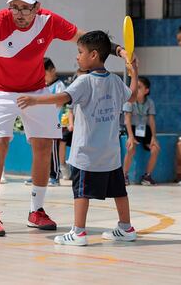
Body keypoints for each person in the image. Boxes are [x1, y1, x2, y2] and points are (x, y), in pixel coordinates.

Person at [0, 0, 133, 236]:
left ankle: (37, 210)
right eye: (15, 7)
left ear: (37, 7)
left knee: (44, 144)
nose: (19, 13)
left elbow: (85, 38)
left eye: (25, 7)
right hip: (0, 89)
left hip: (35, 88)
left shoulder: (50, 21)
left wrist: (118, 49)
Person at [17, 30, 139, 246]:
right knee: (119, 191)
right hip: (111, 154)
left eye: (80, 52)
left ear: (93, 55)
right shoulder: (115, 80)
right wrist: (135, 72)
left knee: (81, 192)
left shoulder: (84, 82)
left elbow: (63, 98)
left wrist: (36, 100)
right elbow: (134, 94)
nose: (77, 56)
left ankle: (79, 232)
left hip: (86, 154)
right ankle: (126, 228)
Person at [24, 57, 66, 186]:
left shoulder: (59, 86)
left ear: (53, 70)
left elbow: (59, 102)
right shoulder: (42, 87)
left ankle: (55, 176)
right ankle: (36, 175)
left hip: (53, 122)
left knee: (53, 150)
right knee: (38, 150)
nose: (43, 77)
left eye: (45, 74)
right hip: (41, 122)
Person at [122, 77, 160, 186]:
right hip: (132, 128)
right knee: (131, 148)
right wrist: (130, 136)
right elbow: (127, 119)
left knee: (155, 149)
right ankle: (124, 175)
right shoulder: (129, 101)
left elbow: (151, 120)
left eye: (139, 88)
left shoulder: (150, 102)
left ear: (146, 91)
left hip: (143, 129)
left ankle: (147, 176)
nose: (136, 90)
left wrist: (153, 137)